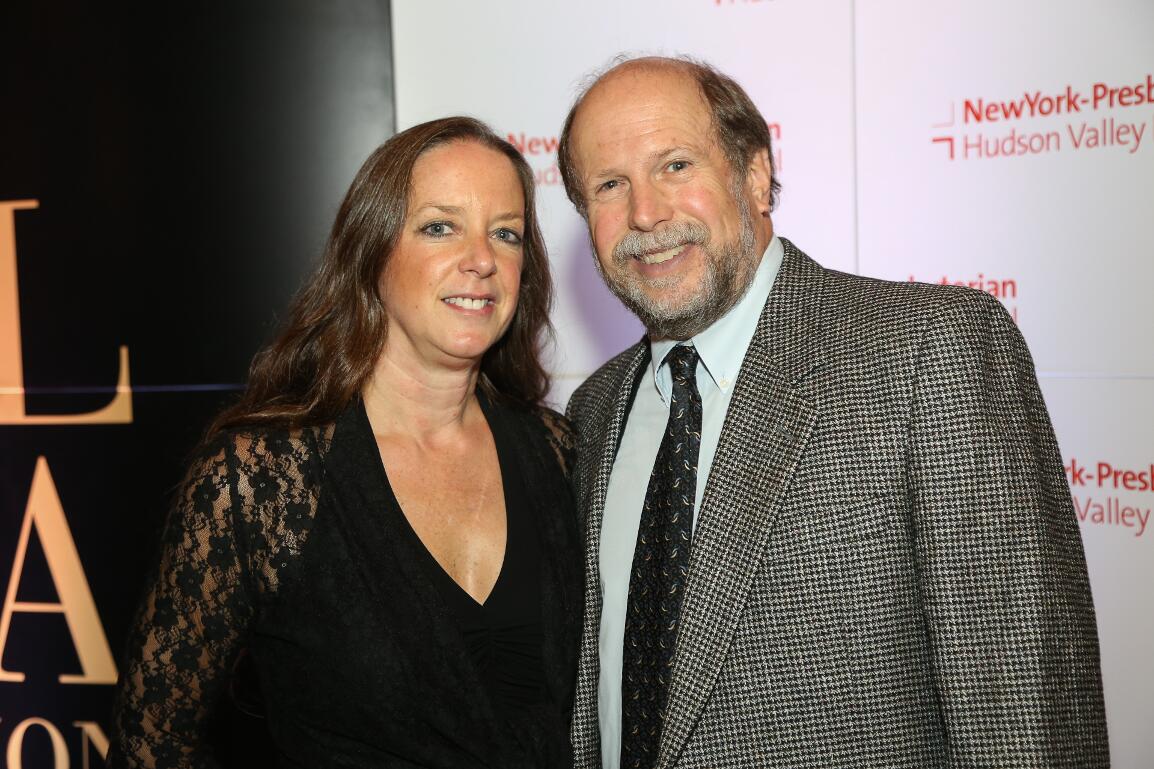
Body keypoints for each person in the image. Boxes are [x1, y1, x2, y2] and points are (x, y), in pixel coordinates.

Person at [558, 55, 1108, 768]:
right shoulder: (594, 410)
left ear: (756, 175)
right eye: (610, 185)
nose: (645, 213)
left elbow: (1023, 712)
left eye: (676, 165)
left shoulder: (930, 351)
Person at [107, 117, 582, 768]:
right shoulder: (262, 480)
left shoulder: (557, 450)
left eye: (506, 233)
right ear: (372, 252)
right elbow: (150, 742)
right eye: (440, 227)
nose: (481, 259)